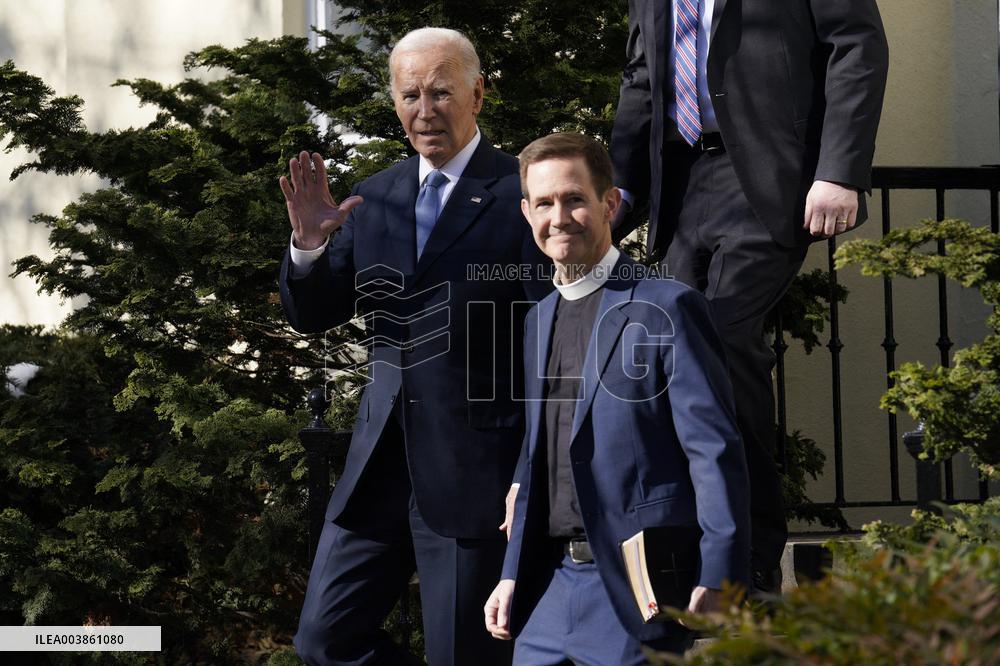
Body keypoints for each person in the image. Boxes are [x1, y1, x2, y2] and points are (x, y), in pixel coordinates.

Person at [279, 27, 550, 666]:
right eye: (410, 96)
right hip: (377, 469)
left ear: (478, 94)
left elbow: (551, 342)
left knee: (464, 655)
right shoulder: (374, 197)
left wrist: (528, 471)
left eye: (441, 93)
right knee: (324, 641)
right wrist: (310, 248)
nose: (425, 111)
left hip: (473, 473)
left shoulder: (524, 194)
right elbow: (313, 315)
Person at [610, 0, 889, 590]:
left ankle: (751, 556)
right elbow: (642, 77)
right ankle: (695, 547)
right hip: (681, 183)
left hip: (768, 177)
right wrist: (620, 191)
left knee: (723, 335)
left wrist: (839, 170)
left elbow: (856, 46)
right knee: (677, 361)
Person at [484, 132, 750, 663]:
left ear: (608, 203)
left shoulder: (667, 308)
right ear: (526, 212)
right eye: (543, 203)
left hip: (638, 589)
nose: (558, 217)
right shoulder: (538, 321)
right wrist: (512, 572)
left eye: (574, 199)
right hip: (548, 591)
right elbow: (538, 459)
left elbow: (713, 450)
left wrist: (721, 571)